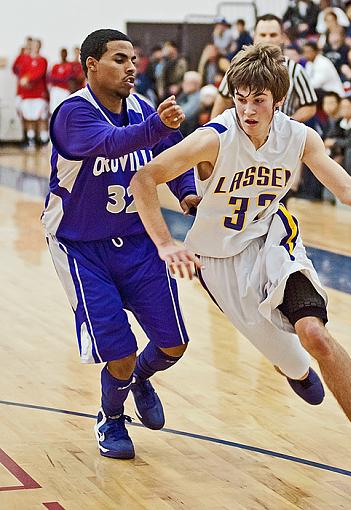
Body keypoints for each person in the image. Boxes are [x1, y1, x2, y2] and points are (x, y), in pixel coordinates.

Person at [130, 43, 351, 483]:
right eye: (240, 98)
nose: (247, 110)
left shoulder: (299, 137)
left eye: (258, 100)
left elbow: (348, 189)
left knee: (314, 333)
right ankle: (285, 370)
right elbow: (144, 178)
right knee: (295, 363)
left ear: (279, 101)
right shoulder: (212, 139)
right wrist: (165, 244)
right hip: (219, 261)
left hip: (274, 237)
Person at [41, 29, 199, 460]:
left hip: (136, 239)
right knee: (121, 351)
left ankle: (138, 380)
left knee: (173, 344)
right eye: (118, 59)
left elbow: (175, 153)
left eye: (133, 59)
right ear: (91, 64)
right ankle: (111, 416)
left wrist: (186, 190)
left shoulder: (144, 110)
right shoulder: (72, 114)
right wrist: (156, 127)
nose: (131, 66)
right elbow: (112, 144)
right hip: (80, 245)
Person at [211, 14, 317, 123]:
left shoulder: (295, 70)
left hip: (280, 138)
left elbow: (310, 106)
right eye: (263, 35)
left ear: (282, 37)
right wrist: (213, 128)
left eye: (273, 35)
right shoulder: (238, 67)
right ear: (254, 37)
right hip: (244, 133)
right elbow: (223, 99)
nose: (267, 39)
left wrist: (285, 125)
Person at [48, 48, 74, 114]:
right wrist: (60, 79)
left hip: (65, 90)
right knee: (54, 111)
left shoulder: (69, 66)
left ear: (66, 54)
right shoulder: (56, 66)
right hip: (56, 90)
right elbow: (51, 78)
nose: (63, 55)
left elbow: (68, 78)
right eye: (62, 53)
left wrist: (58, 79)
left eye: (64, 53)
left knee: (64, 111)